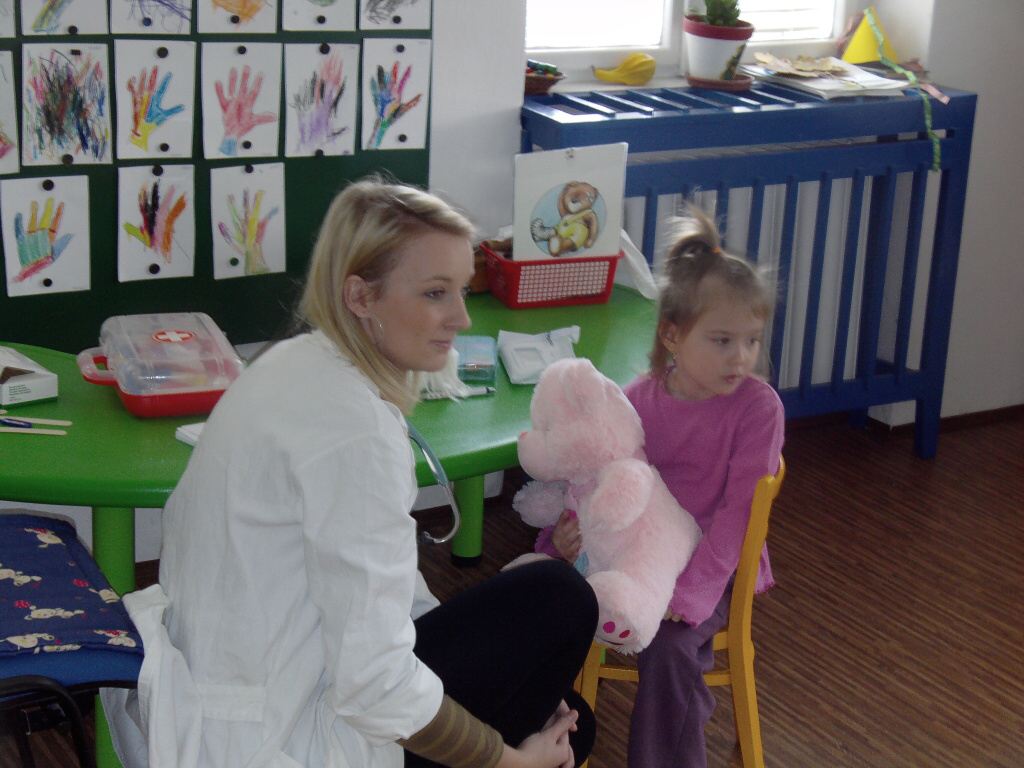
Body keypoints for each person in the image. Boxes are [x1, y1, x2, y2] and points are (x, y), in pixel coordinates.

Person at [102, 176, 598, 768]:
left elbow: (384, 597)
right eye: (436, 293)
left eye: (462, 290)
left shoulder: (297, 361)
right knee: (559, 598)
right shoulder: (353, 432)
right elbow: (373, 686)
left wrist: (513, 677)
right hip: (284, 732)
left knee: (567, 713)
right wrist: (508, 761)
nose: (461, 317)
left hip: (241, 684)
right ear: (360, 296)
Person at [535, 204, 784, 767]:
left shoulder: (758, 408)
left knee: (670, 649)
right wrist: (562, 539)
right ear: (672, 335)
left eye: (751, 341)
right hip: (631, 557)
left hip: (712, 569)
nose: (741, 357)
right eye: (722, 340)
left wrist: (690, 595)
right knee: (545, 606)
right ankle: (544, 746)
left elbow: (738, 518)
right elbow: (594, 478)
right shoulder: (638, 399)